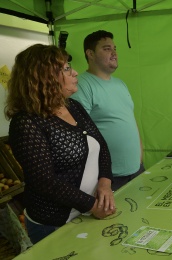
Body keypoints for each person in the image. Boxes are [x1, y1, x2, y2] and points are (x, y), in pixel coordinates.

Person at [4, 44, 116, 244]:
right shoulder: (27, 122)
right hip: (54, 223)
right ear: (43, 77)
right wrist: (91, 205)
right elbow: (44, 181)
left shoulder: (73, 106)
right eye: (65, 69)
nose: (74, 72)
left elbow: (102, 147)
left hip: (88, 212)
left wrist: (105, 184)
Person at [71, 30, 144, 191]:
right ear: (90, 54)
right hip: (108, 177)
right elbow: (78, 132)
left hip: (136, 169)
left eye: (115, 48)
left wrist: (139, 153)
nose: (114, 53)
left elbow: (129, 120)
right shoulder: (82, 85)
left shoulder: (120, 84)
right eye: (106, 48)